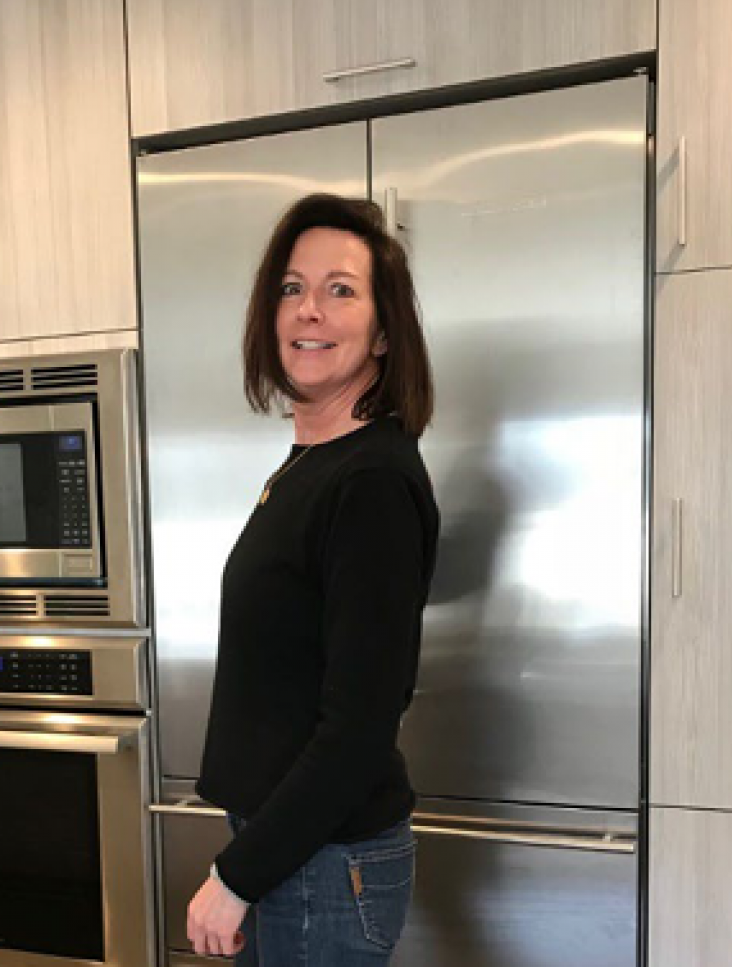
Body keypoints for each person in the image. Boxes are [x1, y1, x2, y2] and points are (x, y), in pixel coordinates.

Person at [186, 193, 440, 964]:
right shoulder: (310, 466)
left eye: (341, 290)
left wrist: (238, 877)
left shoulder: (370, 483)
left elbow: (359, 728)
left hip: (325, 867)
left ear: (385, 330)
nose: (309, 312)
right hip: (293, 851)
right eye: (292, 289)